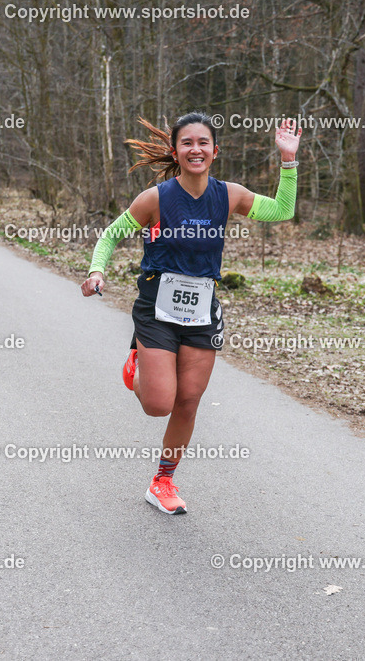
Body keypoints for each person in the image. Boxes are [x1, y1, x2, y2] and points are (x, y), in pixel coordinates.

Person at [81, 112, 301, 515]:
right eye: (187, 143)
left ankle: (162, 481)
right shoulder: (156, 199)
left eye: (203, 142)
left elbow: (283, 210)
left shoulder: (228, 195)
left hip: (202, 308)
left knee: (188, 401)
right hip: (156, 308)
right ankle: (139, 367)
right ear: (175, 151)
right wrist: (97, 270)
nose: (195, 149)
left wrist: (288, 161)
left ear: (215, 151)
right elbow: (111, 234)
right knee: (158, 404)